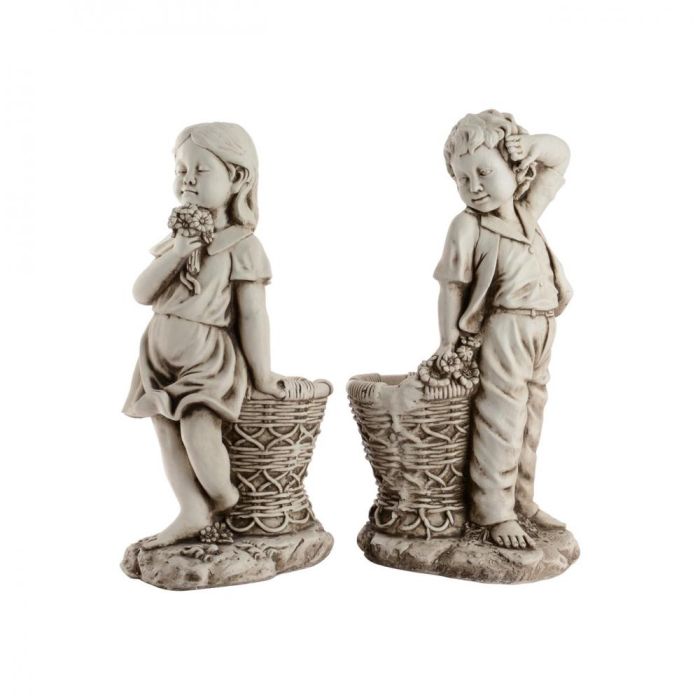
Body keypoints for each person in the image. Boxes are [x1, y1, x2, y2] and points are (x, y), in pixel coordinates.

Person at [123, 122, 285, 549]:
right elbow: (142, 293)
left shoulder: (243, 246)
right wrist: (178, 252)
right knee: (165, 432)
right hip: (156, 357)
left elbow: (253, 315)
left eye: (201, 170)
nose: (187, 180)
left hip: (205, 359)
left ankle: (223, 496)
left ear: (238, 178)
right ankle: (192, 509)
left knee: (197, 427)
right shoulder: (176, 241)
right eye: (181, 170)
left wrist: (263, 376)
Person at [434, 110, 573, 549]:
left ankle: (522, 500)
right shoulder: (468, 225)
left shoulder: (527, 212)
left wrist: (531, 145)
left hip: (543, 326)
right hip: (505, 327)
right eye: (462, 178)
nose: (473, 186)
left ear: (516, 170)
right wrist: (448, 340)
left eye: (484, 172)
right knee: (501, 419)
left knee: (531, 417)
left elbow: (560, 157)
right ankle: (494, 512)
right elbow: (452, 286)